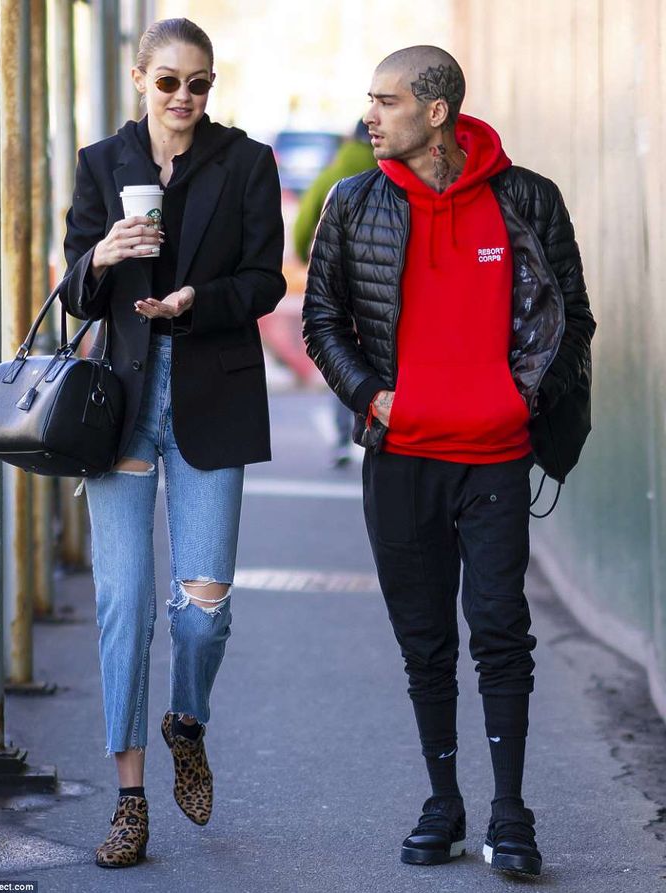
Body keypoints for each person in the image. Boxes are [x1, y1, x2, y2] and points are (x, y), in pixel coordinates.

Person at [303, 46, 595, 878]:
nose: (370, 115)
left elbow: (571, 315)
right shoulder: (354, 203)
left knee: (501, 633)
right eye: (370, 100)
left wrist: (522, 401)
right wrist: (372, 396)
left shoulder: (526, 199)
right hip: (401, 459)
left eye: (386, 101)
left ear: (436, 113)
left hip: (496, 459)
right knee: (424, 641)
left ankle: (510, 812)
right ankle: (445, 803)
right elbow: (322, 319)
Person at [58, 17, 285, 869]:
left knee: (203, 610)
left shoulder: (246, 161)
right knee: (122, 607)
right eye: (169, 83)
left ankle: (187, 719)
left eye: (199, 84)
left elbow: (266, 279)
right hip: (119, 404)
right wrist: (106, 255)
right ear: (139, 78)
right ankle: (128, 800)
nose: (185, 98)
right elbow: (75, 292)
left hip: (211, 397)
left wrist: (198, 300)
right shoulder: (99, 164)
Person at [293, 120, 375, 467]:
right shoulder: (395, 172)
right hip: (384, 285)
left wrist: (304, 256)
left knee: (341, 351)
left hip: (339, 283)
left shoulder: (334, 175)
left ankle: (344, 436)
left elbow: (303, 223)